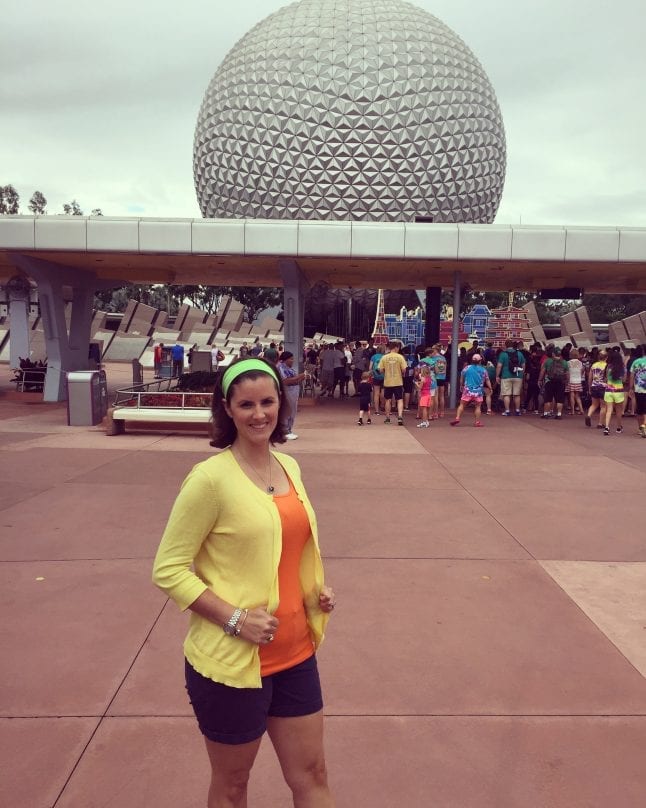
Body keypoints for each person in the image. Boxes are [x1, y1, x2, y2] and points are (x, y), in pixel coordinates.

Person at [152, 357, 336, 808]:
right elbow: (169, 568)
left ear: (280, 404)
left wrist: (316, 591)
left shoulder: (289, 466)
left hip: (295, 653)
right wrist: (234, 618)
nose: (259, 414)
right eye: (247, 404)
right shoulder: (210, 480)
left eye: (268, 401)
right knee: (234, 785)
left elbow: (284, 548)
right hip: (231, 665)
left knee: (312, 774)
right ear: (227, 409)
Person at [450, 353, 491, 427]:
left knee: (462, 404)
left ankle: (457, 418)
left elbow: (462, 377)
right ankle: (477, 422)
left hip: (467, 390)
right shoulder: (483, 370)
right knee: (478, 406)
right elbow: (487, 380)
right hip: (478, 391)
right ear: (480, 361)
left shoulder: (467, 368)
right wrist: (490, 388)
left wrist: (461, 385)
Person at [277, 351, 306, 440]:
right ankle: (284, 431)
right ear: (285, 359)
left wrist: (300, 377)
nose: (292, 361)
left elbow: (294, 379)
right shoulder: (281, 368)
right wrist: (299, 377)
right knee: (287, 411)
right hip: (288, 392)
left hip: (293, 392)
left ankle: (289, 430)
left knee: (292, 411)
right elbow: (285, 381)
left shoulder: (289, 368)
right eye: (291, 359)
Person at [378, 340, 407, 425]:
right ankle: (400, 417)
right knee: (399, 399)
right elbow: (404, 369)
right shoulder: (400, 357)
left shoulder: (384, 357)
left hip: (388, 382)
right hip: (398, 381)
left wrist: (386, 373)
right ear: (396, 347)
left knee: (388, 400)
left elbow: (380, 370)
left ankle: (387, 418)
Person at [496, 339, 525, 416]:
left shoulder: (503, 354)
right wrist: (521, 373)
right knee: (517, 394)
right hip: (518, 375)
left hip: (506, 376)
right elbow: (523, 365)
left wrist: (497, 376)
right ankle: (518, 411)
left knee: (506, 394)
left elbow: (499, 366)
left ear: (506, 345)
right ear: (513, 345)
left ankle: (507, 411)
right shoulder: (519, 354)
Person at [539, 347, 569, 419]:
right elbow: (567, 373)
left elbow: (542, 371)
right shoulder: (564, 362)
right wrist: (567, 381)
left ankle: (546, 413)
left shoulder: (547, 361)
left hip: (549, 381)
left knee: (548, 398)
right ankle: (559, 414)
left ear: (553, 354)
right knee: (559, 399)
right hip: (560, 382)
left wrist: (540, 380)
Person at [603, 349, 627, 435]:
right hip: (619, 390)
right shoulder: (622, 367)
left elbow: (606, 378)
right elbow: (624, 379)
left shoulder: (608, 366)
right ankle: (619, 427)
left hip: (609, 390)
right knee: (618, 410)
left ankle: (606, 427)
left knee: (609, 409)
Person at [585, 349, 607, 428]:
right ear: (606, 357)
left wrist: (589, 387)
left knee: (594, 404)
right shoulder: (606, 365)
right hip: (603, 387)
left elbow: (590, 378)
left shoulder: (594, 365)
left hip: (594, 386)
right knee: (603, 406)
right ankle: (600, 423)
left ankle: (588, 415)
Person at [629, 345, 646, 438]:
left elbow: (632, 375)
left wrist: (631, 388)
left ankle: (640, 428)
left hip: (639, 389)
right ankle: (644, 426)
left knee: (640, 410)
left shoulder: (636, 362)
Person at [566, 348, 584, 415]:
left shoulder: (568, 363)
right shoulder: (580, 363)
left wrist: (567, 380)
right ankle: (581, 409)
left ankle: (572, 411)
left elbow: (567, 372)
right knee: (577, 396)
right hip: (578, 380)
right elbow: (582, 371)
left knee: (571, 395)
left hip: (571, 380)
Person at [415, 362, 433, 428]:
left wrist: (417, 384)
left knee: (424, 409)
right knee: (427, 409)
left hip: (424, 395)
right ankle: (426, 421)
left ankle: (424, 422)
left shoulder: (423, 379)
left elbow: (420, 387)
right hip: (429, 394)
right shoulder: (429, 378)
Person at [369, 344, 385, 415]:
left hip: (375, 376)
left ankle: (376, 410)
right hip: (384, 376)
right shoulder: (385, 357)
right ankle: (383, 405)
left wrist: (372, 373)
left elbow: (370, 367)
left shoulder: (373, 357)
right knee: (383, 392)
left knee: (376, 393)